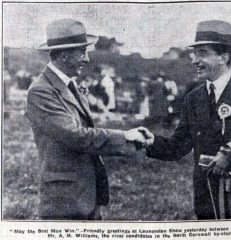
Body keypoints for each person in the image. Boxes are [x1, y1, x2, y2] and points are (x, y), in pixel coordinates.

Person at [140, 20, 231, 219]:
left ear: (223, 57)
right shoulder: (193, 98)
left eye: (202, 53)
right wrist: (150, 141)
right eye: (195, 53)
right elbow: (177, 147)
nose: (194, 60)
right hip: (205, 197)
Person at [26, 19, 146, 220]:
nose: (87, 59)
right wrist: (125, 136)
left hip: (86, 194)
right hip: (64, 201)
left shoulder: (69, 86)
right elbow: (75, 136)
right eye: (83, 52)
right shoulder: (41, 91)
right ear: (64, 55)